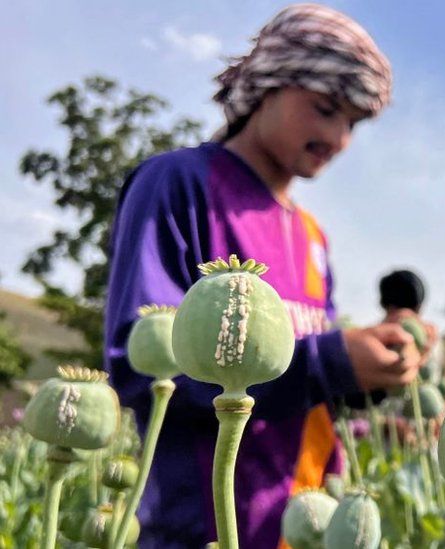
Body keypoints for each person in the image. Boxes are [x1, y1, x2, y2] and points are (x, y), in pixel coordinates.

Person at [103, 4, 421, 547]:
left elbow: (306, 383)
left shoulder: (314, 236)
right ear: (266, 86)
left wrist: (370, 372)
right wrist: (331, 362)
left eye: (353, 123)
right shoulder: (177, 184)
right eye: (324, 109)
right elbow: (141, 363)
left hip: (306, 523)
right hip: (201, 527)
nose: (340, 138)